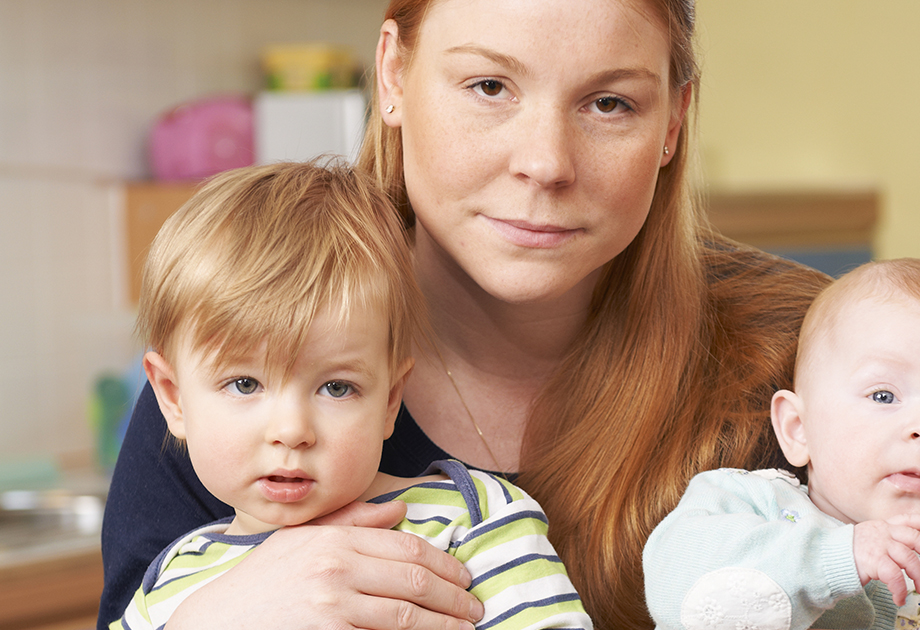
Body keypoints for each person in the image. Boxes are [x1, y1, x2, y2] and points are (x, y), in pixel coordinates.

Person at [98, 1, 831, 628]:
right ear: (393, 74)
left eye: (609, 103)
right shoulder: (236, 363)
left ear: (673, 119)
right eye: (489, 86)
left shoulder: (819, 363)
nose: (546, 162)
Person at [110, 160, 591, 630]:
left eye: (336, 388)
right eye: (245, 384)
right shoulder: (167, 589)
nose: (292, 431)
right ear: (172, 398)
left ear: (389, 400)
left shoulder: (472, 517)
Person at [643, 259, 920, 630]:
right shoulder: (748, 504)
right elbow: (680, 593)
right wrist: (836, 558)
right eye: (884, 396)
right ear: (798, 428)